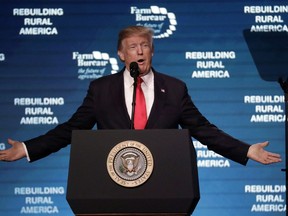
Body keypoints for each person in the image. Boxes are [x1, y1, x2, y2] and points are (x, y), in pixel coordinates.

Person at [0, 26, 282, 165]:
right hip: (113, 183)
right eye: (132, 46)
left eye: (145, 45)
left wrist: (246, 150)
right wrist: (26, 148)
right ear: (121, 55)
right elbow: (71, 130)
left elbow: (203, 130)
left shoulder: (174, 88)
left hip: (165, 185)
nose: (139, 51)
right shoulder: (101, 89)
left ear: (152, 51)